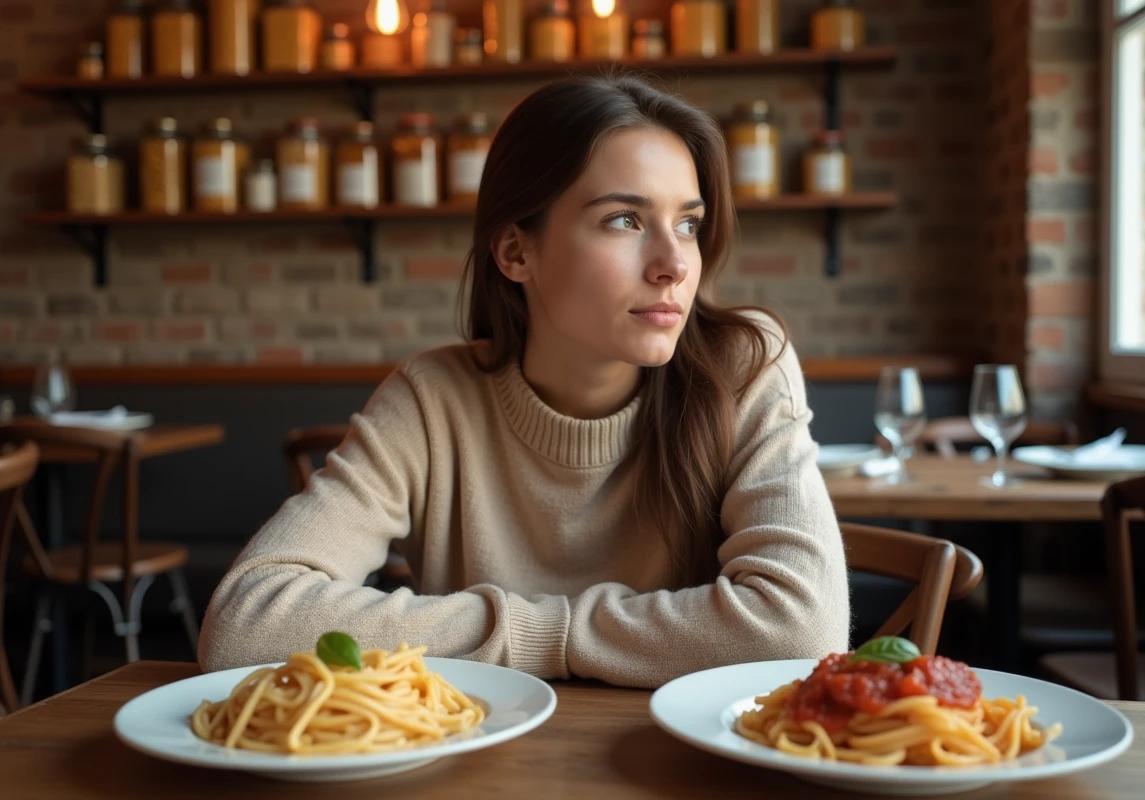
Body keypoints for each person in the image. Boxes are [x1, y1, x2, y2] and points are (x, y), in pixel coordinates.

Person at [198, 75, 849, 689]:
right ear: (516, 252)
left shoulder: (744, 367)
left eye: (688, 223)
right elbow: (247, 622)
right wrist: (551, 635)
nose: (675, 263)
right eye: (625, 219)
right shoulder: (432, 399)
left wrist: (530, 635)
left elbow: (799, 629)